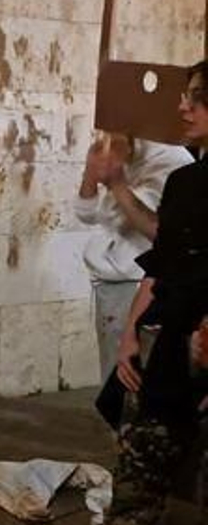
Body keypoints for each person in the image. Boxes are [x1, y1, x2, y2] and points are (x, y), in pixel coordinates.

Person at [48, 59, 208, 525]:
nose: (183, 108)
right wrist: (134, 334)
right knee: (133, 490)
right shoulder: (192, 183)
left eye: (196, 99)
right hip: (168, 353)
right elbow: (164, 265)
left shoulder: (174, 169)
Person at [75, 131, 192, 385]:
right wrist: (90, 174)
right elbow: (87, 214)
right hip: (110, 281)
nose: (106, 135)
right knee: (112, 374)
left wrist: (116, 183)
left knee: (133, 377)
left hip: (140, 283)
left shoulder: (172, 161)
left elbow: (161, 235)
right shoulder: (117, 150)